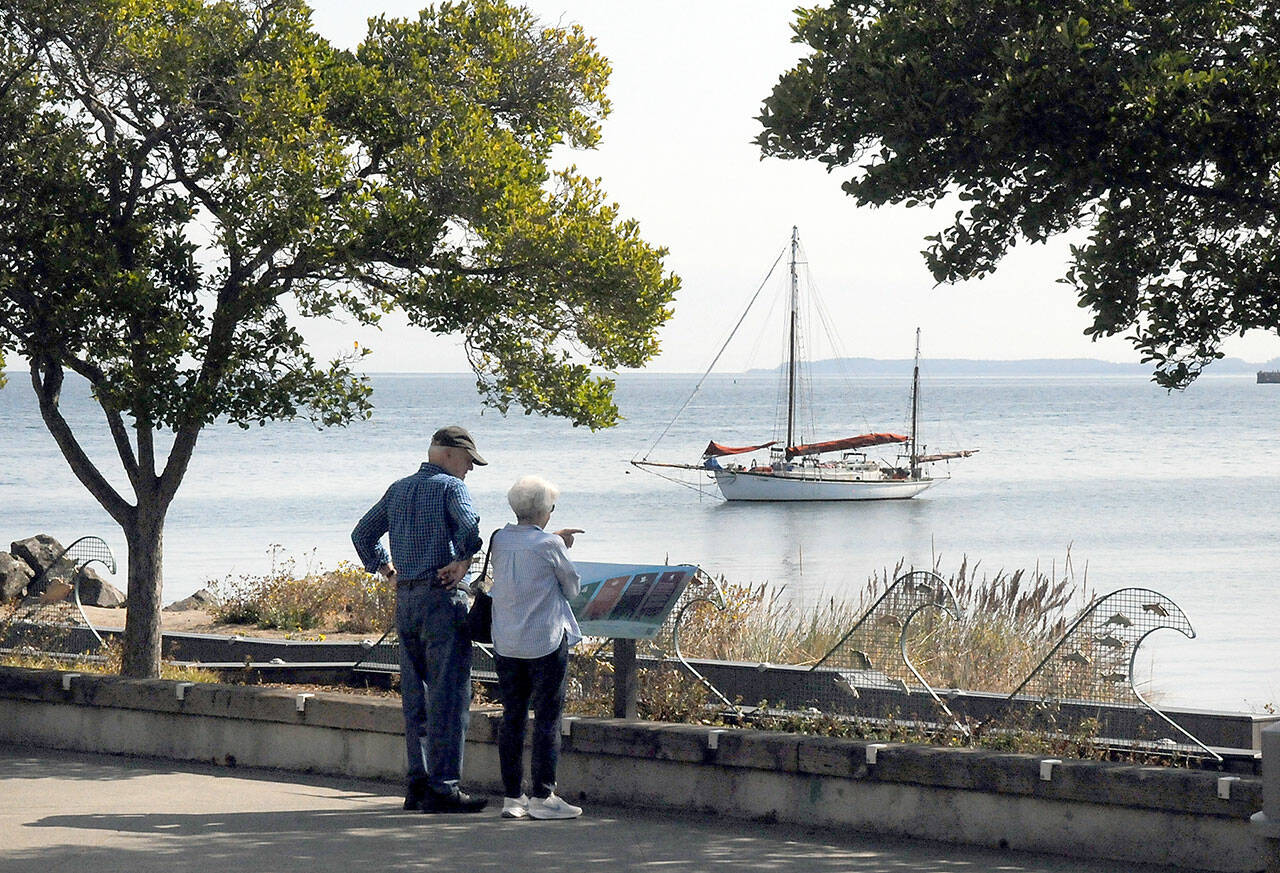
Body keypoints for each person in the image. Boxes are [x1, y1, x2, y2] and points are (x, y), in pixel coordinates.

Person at [351, 425, 489, 814]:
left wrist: (385, 570)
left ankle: (417, 784)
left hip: (406, 598)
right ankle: (444, 788)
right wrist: (463, 562)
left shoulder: (398, 489)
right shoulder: (450, 487)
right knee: (449, 695)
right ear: (448, 454)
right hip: (441, 599)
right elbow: (470, 528)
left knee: (415, 697)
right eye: (468, 461)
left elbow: (362, 533)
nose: (470, 470)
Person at [489, 475, 585, 820]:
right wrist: (558, 543)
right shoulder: (550, 546)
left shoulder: (498, 540)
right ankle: (544, 796)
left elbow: (526, 547)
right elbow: (572, 587)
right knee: (547, 718)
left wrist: (552, 539)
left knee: (512, 717)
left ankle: (512, 797)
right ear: (546, 511)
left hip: (507, 641)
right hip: (545, 642)